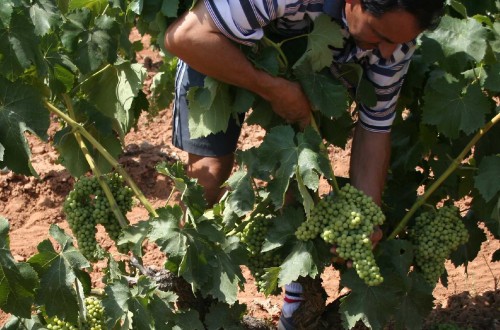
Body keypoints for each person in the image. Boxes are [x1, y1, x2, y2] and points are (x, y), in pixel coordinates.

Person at [164, 0, 444, 328]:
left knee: (299, 168)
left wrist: (365, 213)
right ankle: (185, 296)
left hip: (303, 67)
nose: (387, 53)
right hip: (217, 46)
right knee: (210, 176)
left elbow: (376, 125)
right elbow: (183, 38)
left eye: (398, 42)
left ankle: (298, 294)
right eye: (380, 36)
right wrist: (271, 87)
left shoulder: (396, 39)